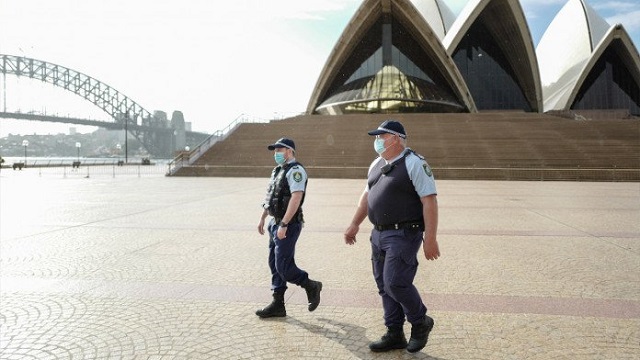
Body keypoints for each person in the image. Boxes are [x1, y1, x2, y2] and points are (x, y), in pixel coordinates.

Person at [343, 120, 440, 353]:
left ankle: (420, 322)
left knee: (395, 281)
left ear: (396, 138)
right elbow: (366, 198)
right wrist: (354, 223)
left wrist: (431, 238)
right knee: (383, 286)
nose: (377, 141)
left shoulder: (414, 163)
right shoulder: (377, 164)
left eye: (381, 136)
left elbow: (430, 201)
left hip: (404, 233)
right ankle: (394, 332)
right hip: (378, 233)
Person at [256, 137, 323, 318]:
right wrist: (263, 218)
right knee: (274, 264)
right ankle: (278, 304)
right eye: (275, 150)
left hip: (288, 225)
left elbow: (296, 198)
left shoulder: (296, 171)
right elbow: (270, 197)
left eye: (280, 150)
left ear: (290, 151)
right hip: (274, 223)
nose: (276, 153)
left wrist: (284, 224)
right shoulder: (277, 170)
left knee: (284, 267)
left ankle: (310, 285)